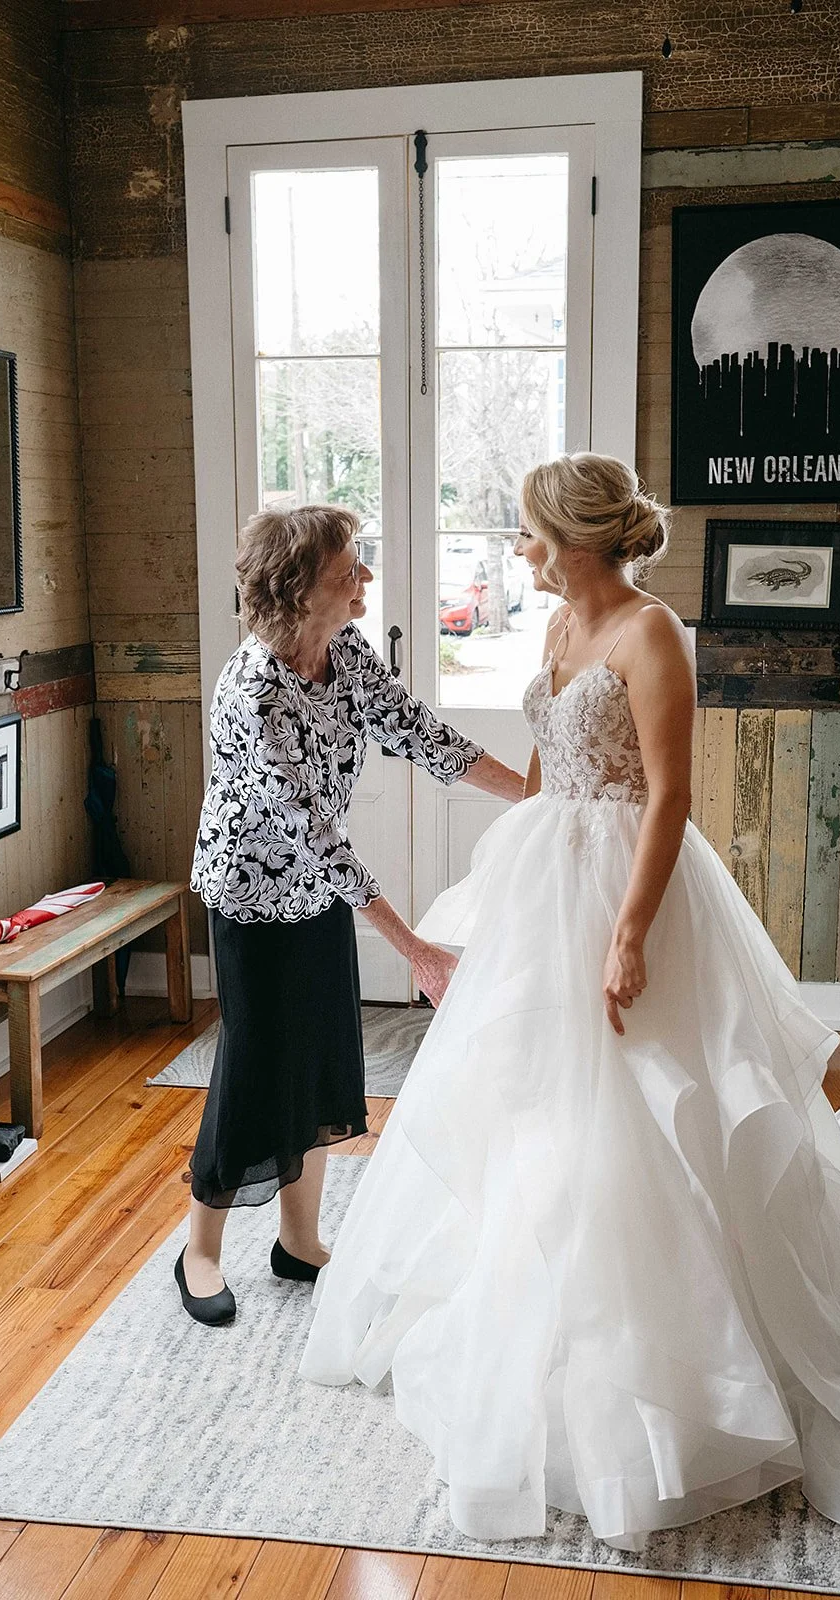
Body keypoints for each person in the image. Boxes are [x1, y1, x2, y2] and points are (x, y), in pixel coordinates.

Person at [300, 453, 840, 1551]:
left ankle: (674, 1347)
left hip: (629, 884)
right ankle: (538, 1309)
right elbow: (542, 773)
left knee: (642, 1105)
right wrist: (506, 891)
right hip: (546, 876)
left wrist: (625, 931)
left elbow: (669, 792)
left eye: (529, 535)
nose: (520, 552)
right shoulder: (558, 630)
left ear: (576, 536)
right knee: (535, 1105)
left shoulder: (650, 633)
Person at [176, 503, 524, 1325]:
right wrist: (419, 953)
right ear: (298, 591)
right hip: (254, 898)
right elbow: (317, 838)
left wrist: (540, 798)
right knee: (253, 1068)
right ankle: (199, 1249)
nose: (365, 577)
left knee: (324, 1058)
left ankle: (299, 1243)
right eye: (348, 570)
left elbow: (416, 731)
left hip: (317, 896)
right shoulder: (253, 691)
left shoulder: (344, 648)